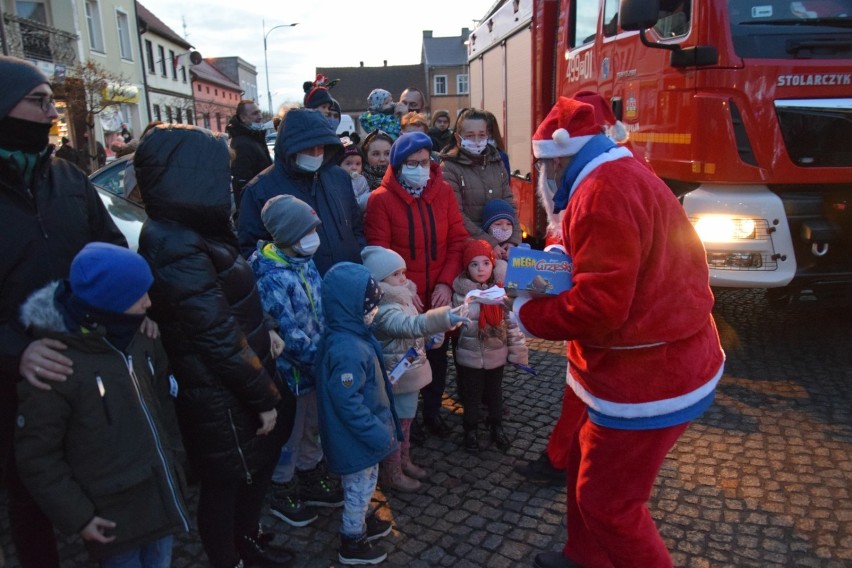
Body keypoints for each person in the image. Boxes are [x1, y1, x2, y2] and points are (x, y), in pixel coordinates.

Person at [512, 97, 724, 568]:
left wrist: (527, 316)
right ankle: (585, 557)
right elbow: (575, 235)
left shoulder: (602, 192)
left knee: (609, 504)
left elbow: (600, 306)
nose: (543, 175)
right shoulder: (610, 171)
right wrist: (552, 256)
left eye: (546, 164)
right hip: (643, 362)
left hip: (646, 376)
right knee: (584, 460)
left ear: (561, 157)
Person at [135, 124, 296, 568]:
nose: (228, 182)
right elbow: (215, 334)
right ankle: (231, 558)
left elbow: (235, 300)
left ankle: (248, 540)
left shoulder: (196, 229)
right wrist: (262, 397)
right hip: (219, 393)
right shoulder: (173, 243)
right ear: (194, 175)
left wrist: (266, 328)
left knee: (251, 473)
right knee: (226, 483)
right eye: (220, 172)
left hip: (239, 378)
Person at [0, 55, 128, 568]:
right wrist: (16, 351)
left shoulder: (69, 179)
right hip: (15, 379)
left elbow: (113, 250)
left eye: (52, 100)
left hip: (85, 360)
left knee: (100, 478)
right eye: (38, 100)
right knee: (29, 489)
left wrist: (135, 311)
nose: (52, 111)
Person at [15, 243, 190, 567]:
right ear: (110, 303)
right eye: (139, 296)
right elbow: (37, 456)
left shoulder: (142, 336)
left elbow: (163, 402)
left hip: (158, 497)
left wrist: (175, 458)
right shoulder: (56, 366)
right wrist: (78, 517)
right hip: (112, 519)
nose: (149, 303)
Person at [363, 132, 469, 440]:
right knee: (402, 359)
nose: (420, 168)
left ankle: (432, 413)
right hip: (402, 297)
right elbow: (377, 252)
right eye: (412, 163)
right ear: (398, 165)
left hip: (437, 290)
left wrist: (447, 283)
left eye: (424, 162)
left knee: (437, 354)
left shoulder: (444, 192)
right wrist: (404, 289)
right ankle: (404, 422)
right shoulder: (380, 200)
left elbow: (457, 241)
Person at [248, 194, 344, 529]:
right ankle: (282, 484)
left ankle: (309, 472)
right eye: (308, 230)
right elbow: (287, 334)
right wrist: (323, 359)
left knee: (313, 428)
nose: (314, 236)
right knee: (291, 431)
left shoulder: (304, 262)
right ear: (287, 235)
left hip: (316, 368)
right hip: (292, 375)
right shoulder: (271, 276)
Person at [361, 246, 468, 492]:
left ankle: (404, 460)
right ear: (379, 281)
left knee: (406, 420)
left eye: (403, 272)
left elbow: (411, 334)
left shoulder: (402, 298)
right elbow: (408, 326)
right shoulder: (384, 309)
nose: (404, 279)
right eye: (396, 275)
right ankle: (392, 471)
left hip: (408, 374)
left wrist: (430, 338)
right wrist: (442, 319)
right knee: (395, 424)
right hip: (395, 378)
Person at [315, 262, 398, 565]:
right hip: (356, 437)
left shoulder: (354, 334)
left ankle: (360, 521)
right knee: (358, 489)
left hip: (362, 434)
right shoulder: (347, 347)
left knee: (364, 484)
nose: (374, 311)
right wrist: (377, 432)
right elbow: (347, 402)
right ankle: (352, 538)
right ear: (350, 307)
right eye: (370, 306)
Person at [238, 107, 365, 275]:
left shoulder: (339, 177)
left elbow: (356, 228)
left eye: (320, 147)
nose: (315, 154)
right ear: (289, 147)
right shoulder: (259, 190)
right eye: (307, 148)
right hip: (300, 292)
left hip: (350, 284)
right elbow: (251, 251)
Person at [451, 239, 527, 453]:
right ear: (467, 268)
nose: (480, 269)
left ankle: (496, 426)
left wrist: (518, 354)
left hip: (496, 355)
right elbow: (449, 322)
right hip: (469, 356)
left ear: (493, 265)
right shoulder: (460, 295)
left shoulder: (500, 294)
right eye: (474, 264)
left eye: (485, 263)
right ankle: (470, 429)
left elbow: (512, 326)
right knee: (471, 395)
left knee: (495, 394)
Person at [441, 108, 522, 261]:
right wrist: (489, 243)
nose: (477, 141)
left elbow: (509, 201)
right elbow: (456, 214)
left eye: (482, 135)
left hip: (501, 246)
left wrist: (513, 239)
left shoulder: (496, 161)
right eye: (470, 136)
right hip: (469, 250)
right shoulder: (449, 167)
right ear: (458, 137)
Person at [227, 99, 273, 214]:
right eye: (255, 113)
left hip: (262, 203)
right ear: (243, 118)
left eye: (259, 112)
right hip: (256, 208)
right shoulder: (241, 144)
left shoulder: (254, 138)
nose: (260, 116)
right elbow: (242, 184)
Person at [338, 136, 371, 213]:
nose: (354, 167)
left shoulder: (362, 180)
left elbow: (365, 194)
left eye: (358, 164)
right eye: (348, 164)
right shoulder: (338, 181)